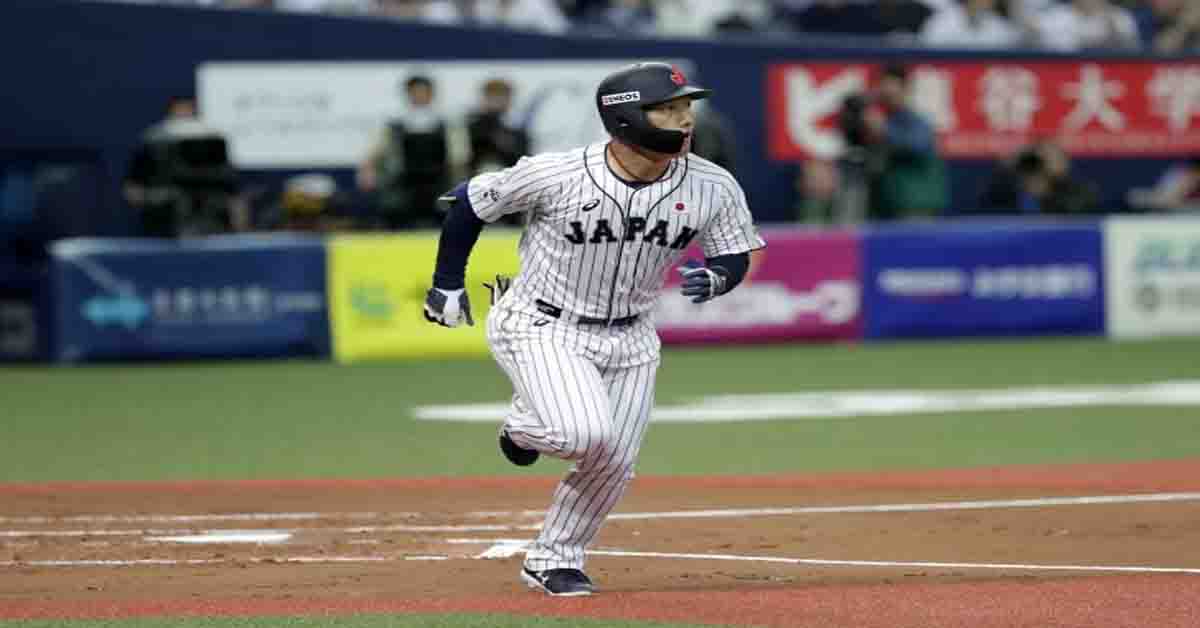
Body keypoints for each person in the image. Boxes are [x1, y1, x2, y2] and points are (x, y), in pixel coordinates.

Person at [422, 62, 764, 596]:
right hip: (540, 322)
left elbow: (736, 251)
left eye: (686, 107)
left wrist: (721, 275)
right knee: (583, 434)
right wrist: (446, 284)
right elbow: (469, 203)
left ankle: (553, 558)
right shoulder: (556, 173)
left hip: (632, 336)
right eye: (669, 108)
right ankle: (521, 428)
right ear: (627, 117)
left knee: (614, 461)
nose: (684, 118)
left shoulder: (712, 184)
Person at [357, 75, 465, 230]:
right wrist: (367, 169)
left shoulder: (448, 123)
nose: (420, 96)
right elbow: (375, 150)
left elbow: (459, 155)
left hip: (439, 179)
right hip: (403, 179)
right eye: (415, 92)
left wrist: (458, 180)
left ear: (431, 94)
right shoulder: (394, 122)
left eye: (424, 92)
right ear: (408, 94)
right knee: (393, 202)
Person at [843, 63, 948, 222]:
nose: (886, 90)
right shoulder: (881, 119)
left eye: (891, 85)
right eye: (883, 84)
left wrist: (883, 130)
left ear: (905, 88)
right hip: (885, 207)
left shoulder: (916, 120)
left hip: (914, 207)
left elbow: (917, 146)